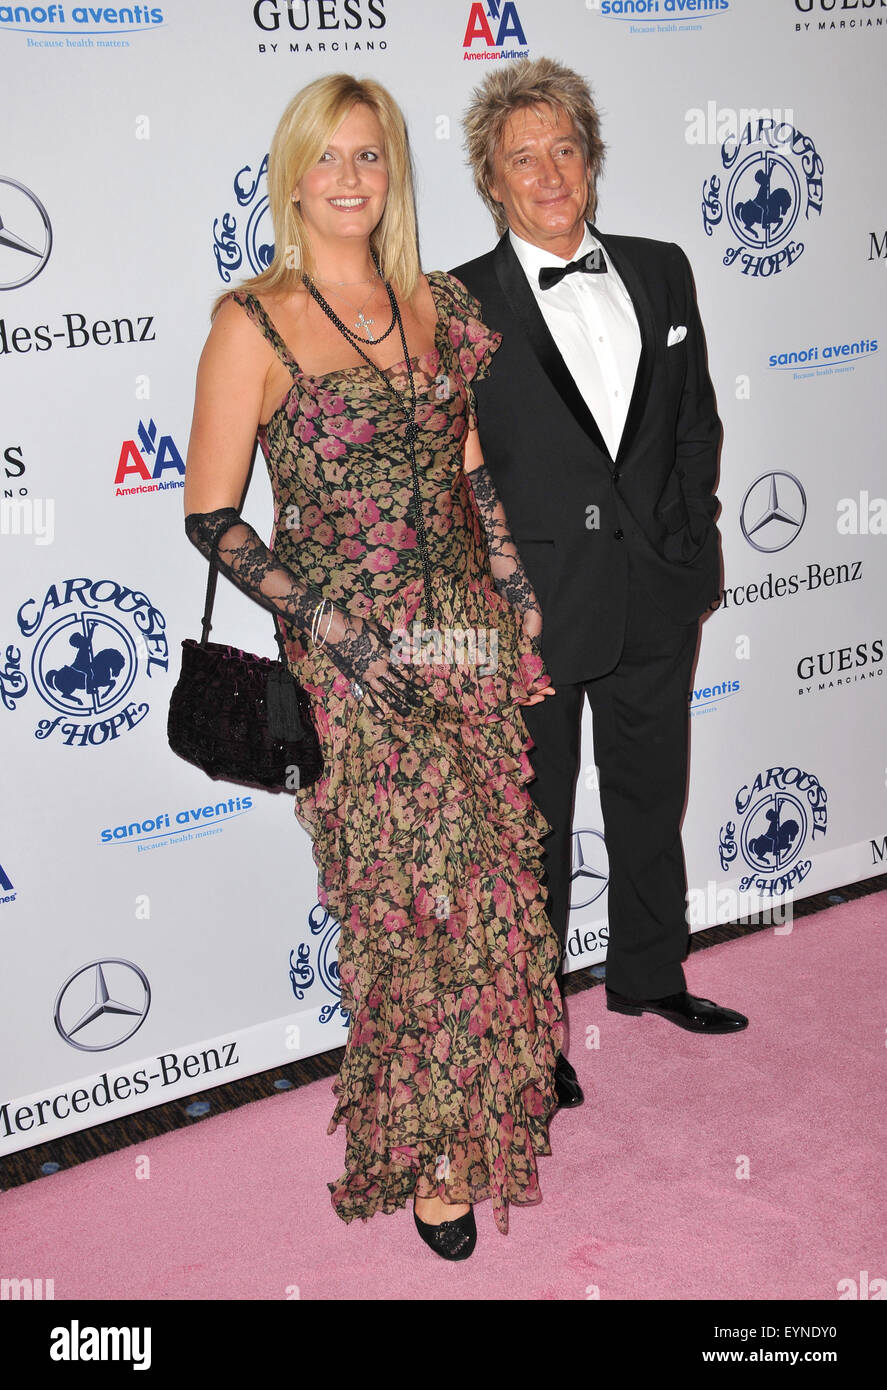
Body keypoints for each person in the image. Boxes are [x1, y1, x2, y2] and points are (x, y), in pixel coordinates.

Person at [182, 73, 563, 1261]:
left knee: (493, 880)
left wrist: (510, 585)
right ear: (292, 174)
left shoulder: (435, 301)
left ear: (391, 174)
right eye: (328, 158)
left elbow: (466, 464)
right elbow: (212, 515)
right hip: (353, 651)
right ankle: (429, 1150)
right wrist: (335, 632)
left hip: (455, 630)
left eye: (371, 158)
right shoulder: (249, 321)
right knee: (405, 902)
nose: (351, 179)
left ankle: (486, 1105)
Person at [451, 57, 748, 1109]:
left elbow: (692, 426)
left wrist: (693, 550)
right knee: (530, 823)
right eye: (521, 159)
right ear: (491, 180)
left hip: (656, 592)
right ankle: (537, 1032)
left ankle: (650, 975)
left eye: (562, 151)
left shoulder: (661, 269)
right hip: (527, 611)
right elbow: (452, 473)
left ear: (591, 160)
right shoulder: (455, 303)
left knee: (646, 792)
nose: (547, 175)